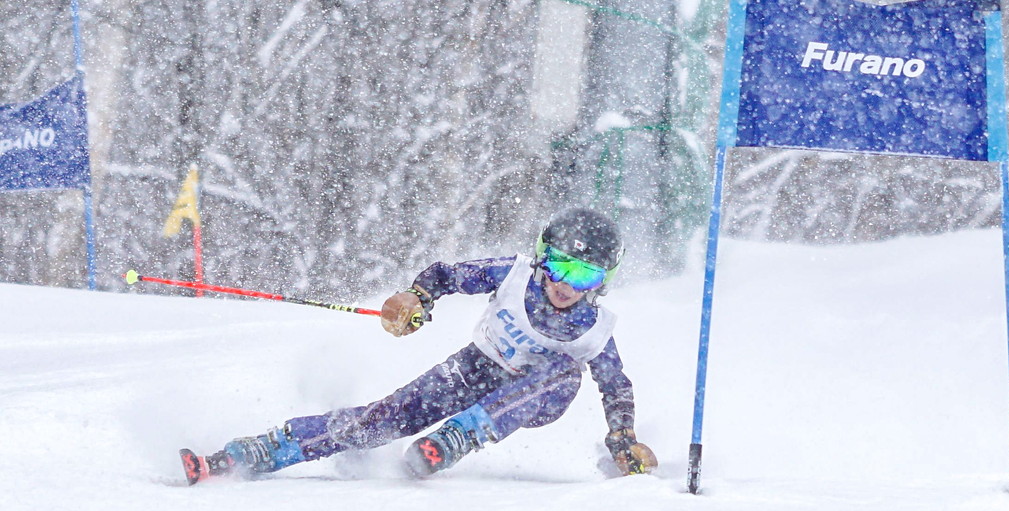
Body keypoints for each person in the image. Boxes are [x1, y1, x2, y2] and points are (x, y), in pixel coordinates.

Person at [180, 208, 658, 485]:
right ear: (541, 257)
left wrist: (623, 440)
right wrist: (418, 298)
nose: (565, 285)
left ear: (603, 281)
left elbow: (616, 388)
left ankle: (461, 436)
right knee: (381, 419)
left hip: (532, 395)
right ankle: (249, 454)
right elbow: (448, 274)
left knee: (563, 370)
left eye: (584, 275)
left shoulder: (595, 327)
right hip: (473, 370)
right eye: (558, 266)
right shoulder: (513, 274)